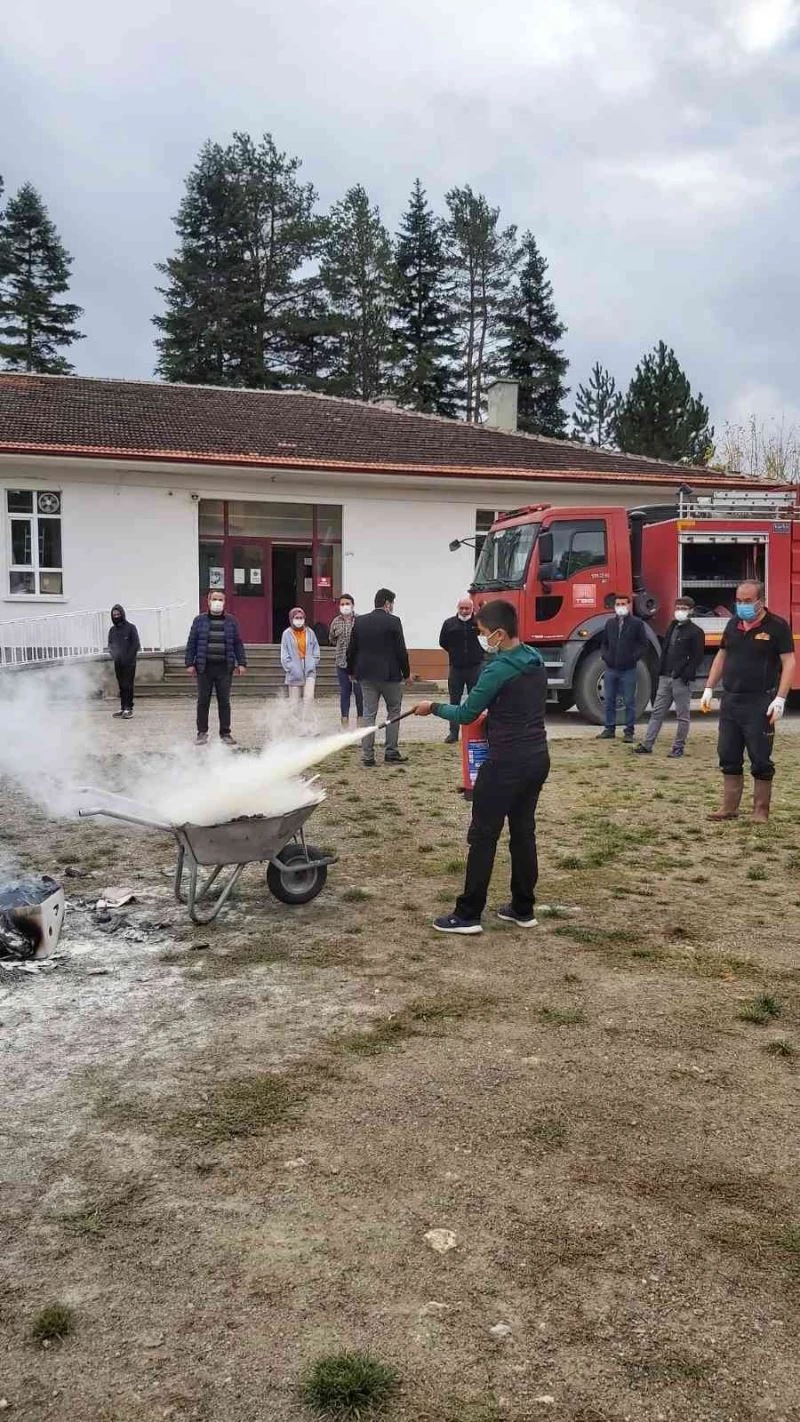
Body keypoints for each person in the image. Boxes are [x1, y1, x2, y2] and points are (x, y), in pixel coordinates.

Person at [414, 599, 549, 934]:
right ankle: (522, 908)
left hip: (505, 763)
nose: (483, 638)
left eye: (485, 633)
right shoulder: (535, 659)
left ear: (500, 633)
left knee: (484, 835)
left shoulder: (498, 669)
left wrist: (432, 707)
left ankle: (468, 914)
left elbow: (465, 714)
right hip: (537, 758)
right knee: (523, 832)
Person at [701, 580, 794, 823]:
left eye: (747, 601)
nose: (741, 605)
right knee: (728, 753)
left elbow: (789, 663)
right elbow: (722, 655)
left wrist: (780, 698)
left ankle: (760, 811)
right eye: (738, 601)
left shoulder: (777, 627)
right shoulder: (733, 625)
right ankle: (729, 807)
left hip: (759, 701)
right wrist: (709, 688)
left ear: (760, 601)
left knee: (760, 756)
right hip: (731, 700)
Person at [634, 597, 705, 758]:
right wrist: (661, 671)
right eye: (678, 607)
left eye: (684, 607)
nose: (680, 610)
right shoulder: (672, 627)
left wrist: (685, 675)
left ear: (691, 610)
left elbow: (696, 658)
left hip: (681, 679)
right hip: (665, 677)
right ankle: (647, 744)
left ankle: (678, 747)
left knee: (682, 716)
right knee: (657, 713)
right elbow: (665, 650)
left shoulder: (696, 632)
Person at [347, 587, 410, 767]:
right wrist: (406, 673)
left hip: (366, 675)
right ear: (387, 603)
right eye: (392, 603)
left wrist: (351, 671)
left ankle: (367, 756)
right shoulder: (394, 621)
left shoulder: (359, 621)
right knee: (394, 712)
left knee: (368, 714)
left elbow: (352, 649)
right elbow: (401, 651)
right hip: (390, 675)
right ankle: (391, 752)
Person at [185, 591, 247, 746]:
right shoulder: (199, 621)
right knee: (203, 701)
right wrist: (189, 664)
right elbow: (192, 642)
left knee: (224, 702)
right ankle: (202, 733)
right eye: (215, 599)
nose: (217, 602)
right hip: (204, 668)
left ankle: (225, 733)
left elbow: (237, 643)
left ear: (225, 602)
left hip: (224, 668)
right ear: (208, 601)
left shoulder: (231, 621)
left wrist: (242, 663)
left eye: (220, 599)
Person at [597, 593, 649, 743]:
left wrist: (633, 657)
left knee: (629, 701)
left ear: (629, 605)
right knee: (609, 700)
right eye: (618, 604)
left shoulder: (637, 624)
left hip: (628, 669)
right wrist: (606, 656)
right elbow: (604, 643)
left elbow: (643, 645)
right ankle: (609, 729)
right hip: (611, 668)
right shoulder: (609, 624)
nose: (621, 607)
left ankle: (629, 731)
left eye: (623, 604)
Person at [438, 595, 484, 744]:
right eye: (462, 608)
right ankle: (453, 733)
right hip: (456, 669)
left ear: (472, 609)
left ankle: (476, 731)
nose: (464, 611)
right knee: (454, 702)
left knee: (476, 700)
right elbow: (443, 642)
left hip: (474, 668)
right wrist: (455, 652)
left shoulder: (479, 622)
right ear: (458, 608)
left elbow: (486, 639)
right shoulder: (449, 623)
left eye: (467, 608)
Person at [328, 594, 364, 729]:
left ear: (353, 605)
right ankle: (345, 722)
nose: (345, 606)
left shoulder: (360, 620)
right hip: (341, 662)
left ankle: (360, 722)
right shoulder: (335, 622)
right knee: (345, 692)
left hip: (357, 664)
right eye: (342, 604)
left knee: (359, 693)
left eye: (347, 603)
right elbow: (331, 638)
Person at [281, 607, 321, 704]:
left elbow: (316, 649)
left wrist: (313, 662)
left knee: (309, 698)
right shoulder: (287, 634)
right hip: (294, 671)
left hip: (309, 670)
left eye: (301, 618)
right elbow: (284, 653)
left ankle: (306, 718)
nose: (299, 620)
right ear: (291, 619)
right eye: (296, 618)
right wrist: (290, 667)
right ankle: (295, 719)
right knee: (294, 702)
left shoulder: (310, 632)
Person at [107, 603, 140, 720]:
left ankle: (128, 708)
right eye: (114, 614)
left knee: (128, 685)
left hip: (129, 663)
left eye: (118, 614)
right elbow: (110, 644)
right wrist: (113, 654)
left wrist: (128, 658)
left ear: (122, 614)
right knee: (121, 685)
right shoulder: (112, 630)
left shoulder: (131, 628)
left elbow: (135, 644)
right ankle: (122, 707)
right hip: (118, 661)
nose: (116, 616)